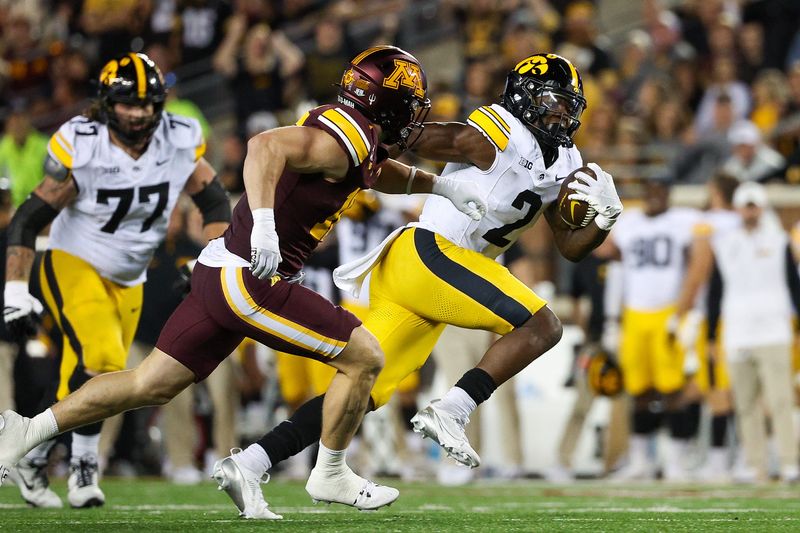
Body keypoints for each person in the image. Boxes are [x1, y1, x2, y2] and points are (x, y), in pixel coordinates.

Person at [0, 45, 487, 519]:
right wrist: (266, 224)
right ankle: (331, 471)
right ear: (389, 102)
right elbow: (264, 146)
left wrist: (440, 185)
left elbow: (372, 172)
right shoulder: (344, 136)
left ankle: (27, 429)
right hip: (248, 275)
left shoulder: (357, 139)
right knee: (366, 358)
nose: (416, 114)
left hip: (223, 270)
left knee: (149, 383)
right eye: (410, 103)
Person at [206, 52, 622, 517]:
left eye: (569, 106)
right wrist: (372, 122)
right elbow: (420, 137)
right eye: (552, 103)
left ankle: (253, 462)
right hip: (429, 256)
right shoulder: (500, 131)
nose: (562, 114)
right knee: (542, 325)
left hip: (433, 278)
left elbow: (570, 246)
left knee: (360, 393)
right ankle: (453, 410)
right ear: (524, 101)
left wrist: (603, 220)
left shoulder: (567, 158)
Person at [1, 52, 231, 509]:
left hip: (131, 274)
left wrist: (208, 261)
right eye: (129, 102)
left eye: (148, 103)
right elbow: (27, 218)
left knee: (98, 374)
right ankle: (81, 463)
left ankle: (36, 452)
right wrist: (14, 289)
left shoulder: (179, 139)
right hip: (73, 259)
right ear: (107, 103)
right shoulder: (83, 142)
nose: (139, 112)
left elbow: (215, 205)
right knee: (106, 359)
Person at [600, 179, 701, 482]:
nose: (655, 197)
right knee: (638, 389)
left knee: (673, 389)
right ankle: (640, 460)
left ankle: (676, 461)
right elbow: (611, 262)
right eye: (651, 192)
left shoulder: (684, 220)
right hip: (634, 314)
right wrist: (612, 318)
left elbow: (697, 261)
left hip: (668, 313)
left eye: (661, 192)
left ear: (669, 194)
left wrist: (689, 311)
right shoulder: (628, 222)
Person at [707, 182, 800, 483]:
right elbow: (715, 292)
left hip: (774, 330)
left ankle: (788, 461)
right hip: (738, 332)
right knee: (745, 403)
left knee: (780, 400)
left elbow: (794, 286)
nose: (749, 211)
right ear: (737, 208)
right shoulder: (725, 243)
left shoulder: (778, 240)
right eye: (745, 205)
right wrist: (711, 334)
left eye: (754, 205)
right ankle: (755, 463)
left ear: (761, 207)